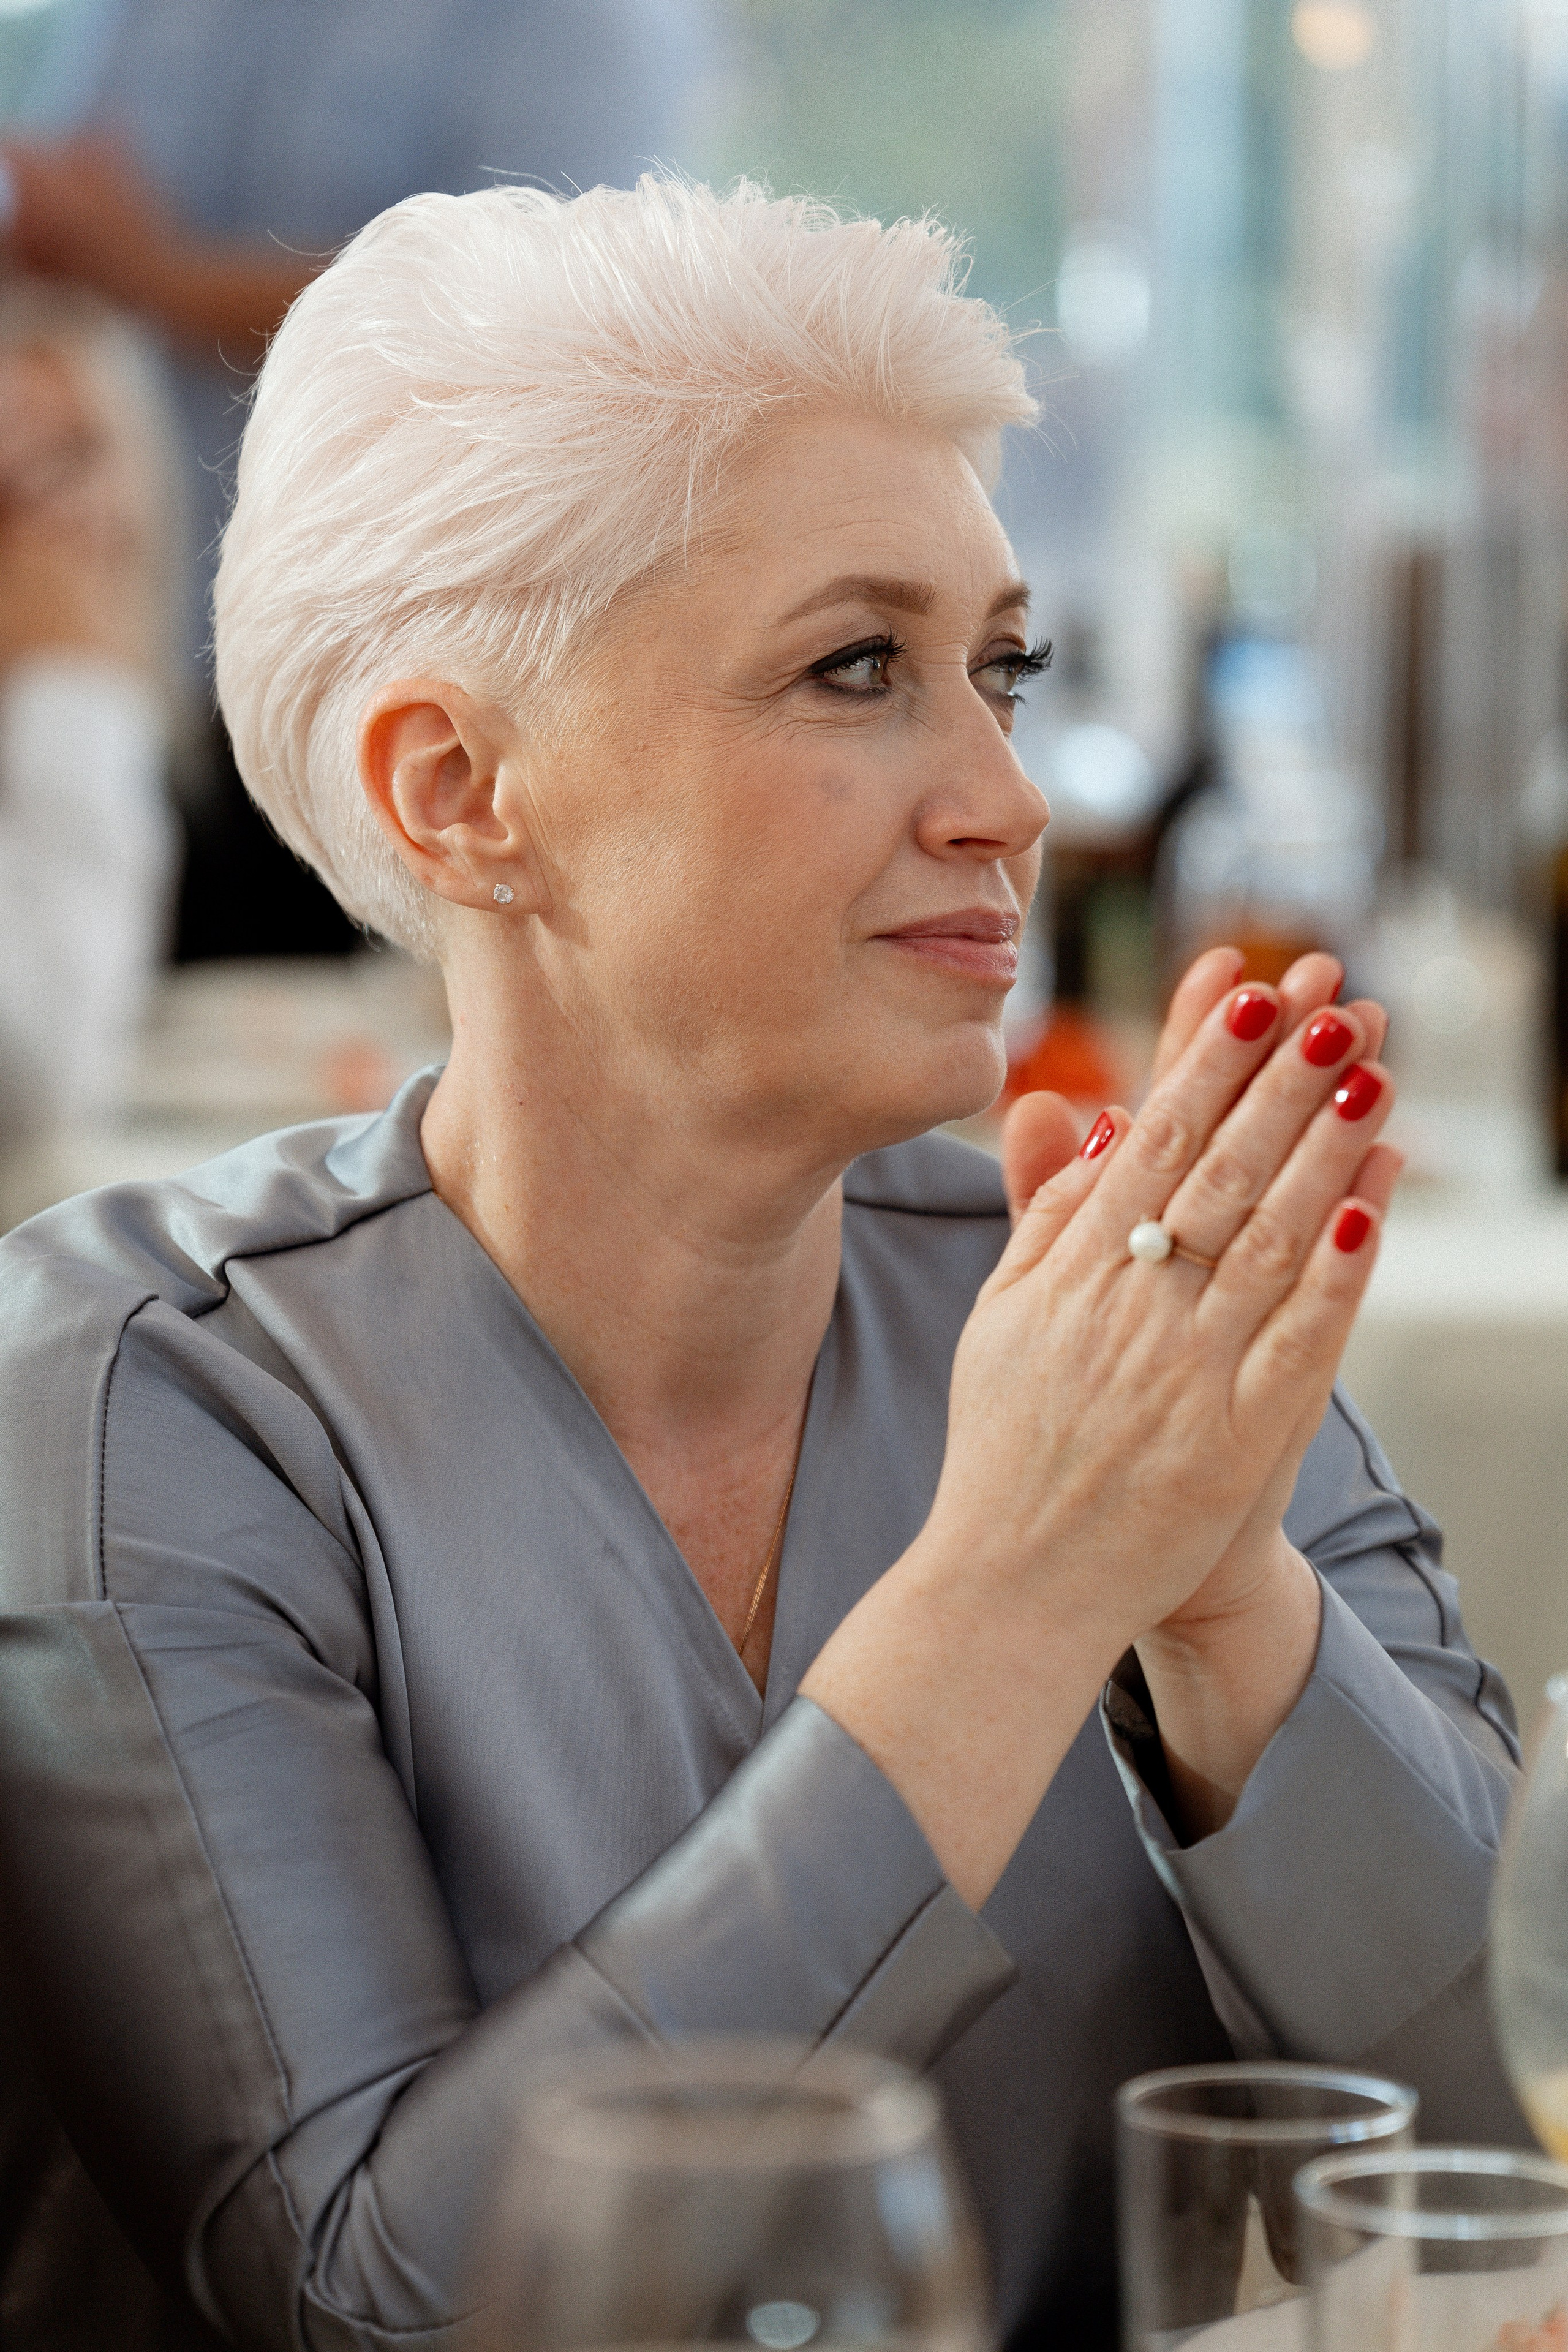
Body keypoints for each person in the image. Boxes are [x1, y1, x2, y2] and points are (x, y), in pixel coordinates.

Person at [0, 177, 1524, 2352]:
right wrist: (1017, 1588)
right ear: (458, 793)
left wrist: (1222, 1599)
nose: (1005, 791)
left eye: (1002, 666)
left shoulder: (1104, 1293)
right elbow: (381, 2313)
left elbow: (1510, 2162)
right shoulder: (144, 1383)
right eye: (857, 669)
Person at [0, 0, 706, 957]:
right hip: (148, 670)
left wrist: (156, 278)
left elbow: (541, 319)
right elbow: (70, 217)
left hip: (410, 689)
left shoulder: (586, 25)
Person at [0, 281, 178, 1147]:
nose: (50, 515)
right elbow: (36, 1079)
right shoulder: (84, 716)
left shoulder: (211, 744)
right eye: (7, 476)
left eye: (73, 457)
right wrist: (71, 690)